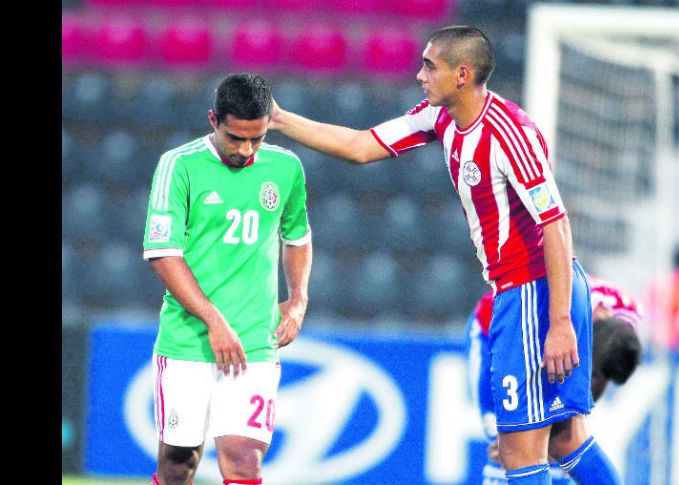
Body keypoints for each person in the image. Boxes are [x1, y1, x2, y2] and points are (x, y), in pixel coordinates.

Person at [270, 25, 620, 484]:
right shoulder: (439, 118)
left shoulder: (508, 132)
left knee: (518, 449)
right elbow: (359, 146)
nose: (419, 75)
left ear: (462, 73)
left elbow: (555, 222)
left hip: (536, 292)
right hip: (523, 292)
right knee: (564, 440)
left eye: (429, 66)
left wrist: (557, 322)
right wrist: (279, 119)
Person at [142, 73, 313, 485]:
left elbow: (298, 237)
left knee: (244, 459)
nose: (246, 149)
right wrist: (214, 321)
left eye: (256, 138)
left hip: (254, 340)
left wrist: (298, 298)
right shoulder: (178, 166)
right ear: (213, 120)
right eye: (236, 138)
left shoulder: (285, 167)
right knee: (178, 463)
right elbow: (163, 255)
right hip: (188, 340)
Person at [466, 276, 643, 484]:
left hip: (554, 332)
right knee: (509, 441)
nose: (594, 384)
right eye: (592, 374)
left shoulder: (629, 317)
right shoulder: (552, 316)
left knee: (561, 438)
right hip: (498, 333)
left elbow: (597, 376)